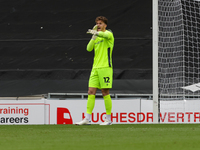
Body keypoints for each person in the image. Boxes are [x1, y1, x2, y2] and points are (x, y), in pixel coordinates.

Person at [75, 16, 114, 125]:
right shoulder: (96, 36)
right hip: (95, 69)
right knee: (90, 92)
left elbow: (105, 34)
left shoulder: (109, 35)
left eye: (100, 23)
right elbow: (88, 48)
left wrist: (97, 33)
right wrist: (93, 36)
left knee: (105, 92)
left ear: (105, 25)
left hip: (105, 68)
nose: (98, 25)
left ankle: (109, 119)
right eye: (97, 23)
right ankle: (87, 118)